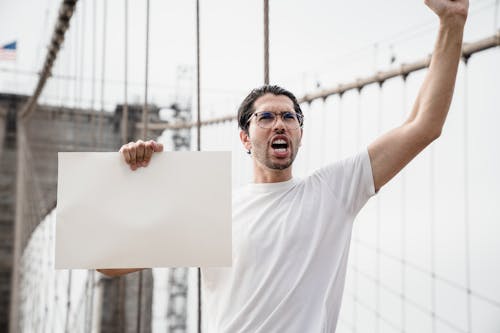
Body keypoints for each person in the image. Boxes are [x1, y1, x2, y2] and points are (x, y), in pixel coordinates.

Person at [98, 0, 468, 331]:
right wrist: (130, 180)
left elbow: (423, 126)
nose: (280, 123)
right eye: (266, 117)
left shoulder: (333, 191)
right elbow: (107, 262)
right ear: (244, 137)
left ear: (300, 135)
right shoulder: (213, 213)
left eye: (290, 117)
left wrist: (451, 22)